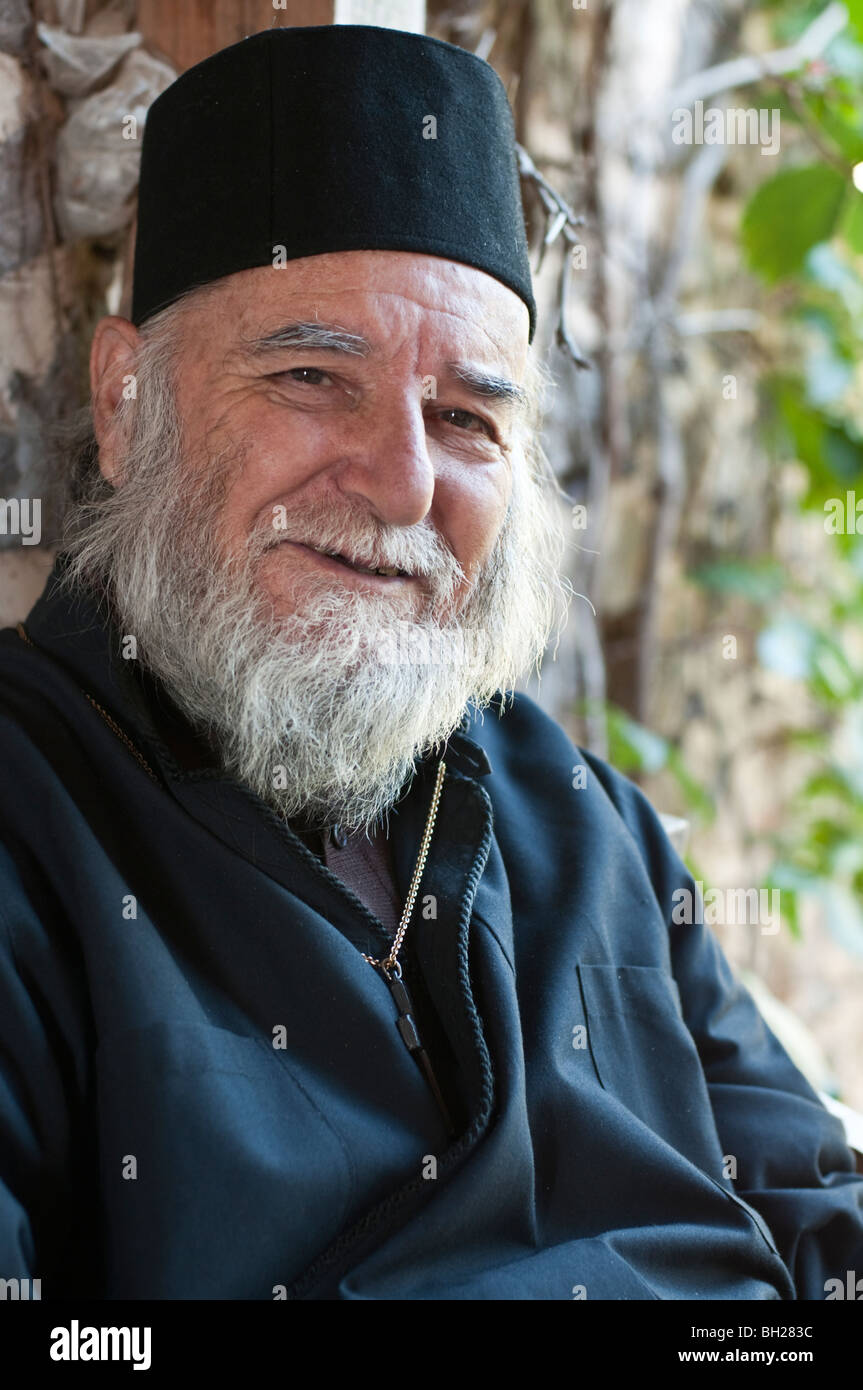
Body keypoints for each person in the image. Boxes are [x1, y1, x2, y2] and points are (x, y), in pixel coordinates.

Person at [0, 24, 861, 1302]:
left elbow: (814, 1207)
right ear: (129, 403)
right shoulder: (29, 818)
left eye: (466, 417)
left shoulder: (583, 817)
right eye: (309, 375)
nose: (404, 478)